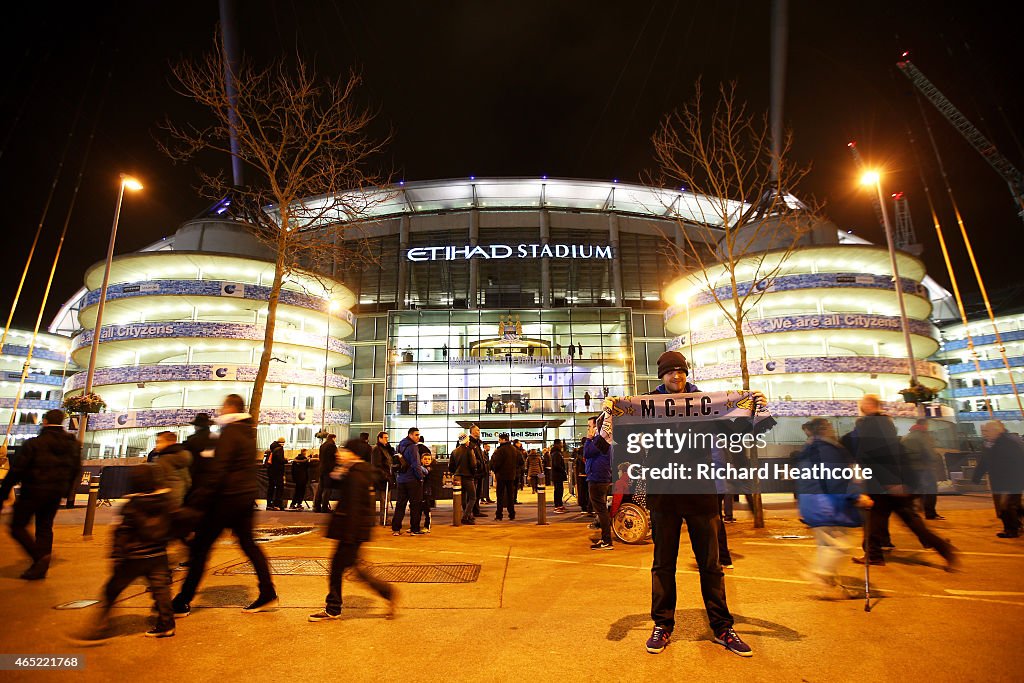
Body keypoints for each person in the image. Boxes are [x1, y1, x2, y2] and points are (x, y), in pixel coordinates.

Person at [643, 351, 764, 657]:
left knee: (711, 565)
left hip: (701, 492)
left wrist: (755, 408)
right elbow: (615, 439)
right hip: (663, 493)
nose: (676, 376)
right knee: (663, 564)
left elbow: (738, 430)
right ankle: (663, 625)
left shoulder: (706, 403)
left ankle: (723, 627)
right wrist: (609, 417)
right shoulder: (646, 404)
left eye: (681, 371)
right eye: (670, 372)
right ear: (662, 376)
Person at [172, 394, 278, 617]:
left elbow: (219, 470)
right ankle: (268, 593)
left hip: (226, 500)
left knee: (201, 548)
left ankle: (182, 600)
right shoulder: (247, 432)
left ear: (231, 408)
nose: (220, 411)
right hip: (243, 498)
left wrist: (197, 501)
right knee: (249, 545)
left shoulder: (230, 433)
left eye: (223, 407)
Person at [852, 394, 959, 570]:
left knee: (875, 518)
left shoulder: (873, 423)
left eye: (864, 403)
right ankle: (943, 548)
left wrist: (889, 481)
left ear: (872, 405)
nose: (861, 406)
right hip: (891, 481)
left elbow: (880, 453)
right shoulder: (884, 423)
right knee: (906, 520)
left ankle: (874, 555)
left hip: (884, 483)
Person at [75, 464, 176, 641]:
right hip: (158, 554)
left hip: (134, 556)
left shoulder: (131, 505)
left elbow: (122, 531)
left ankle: (100, 625)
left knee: (112, 589)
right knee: (161, 590)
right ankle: (167, 624)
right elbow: (176, 523)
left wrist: (117, 554)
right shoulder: (166, 500)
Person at [308, 445, 395, 622]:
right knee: (353, 569)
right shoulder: (356, 471)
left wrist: (349, 536)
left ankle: (333, 608)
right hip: (354, 531)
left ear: (355, 454)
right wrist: (339, 472)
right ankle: (386, 593)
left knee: (338, 568)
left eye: (345, 451)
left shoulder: (356, 475)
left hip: (351, 531)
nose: (340, 454)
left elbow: (355, 507)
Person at [0, 409, 81, 580]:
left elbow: (17, 470)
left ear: (44, 421)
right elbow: (76, 470)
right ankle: (40, 567)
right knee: (45, 527)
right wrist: (68, 492)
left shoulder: (34, 444)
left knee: (17, 526)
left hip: (33, 491)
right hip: (56, 493)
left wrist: (3, 494)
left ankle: (40, 558)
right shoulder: (72, 444)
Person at [797, 418, 873, 599]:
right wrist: (857, 496)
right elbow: (838, 477)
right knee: (839, 545)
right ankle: (819, 573)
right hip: (826, 505)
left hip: (813, 504)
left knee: (827, 546)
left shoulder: (809, 450)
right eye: (829, 426)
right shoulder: (827, 450)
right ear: (823, 429)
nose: (832, 428)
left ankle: (830, 586)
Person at [972, 420, 1024, 538]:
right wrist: (976, 476)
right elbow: (984, 462)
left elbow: (1019, 462)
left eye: (988, 431)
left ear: (997, 431)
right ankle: (1014, 525)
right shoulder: (989, 444)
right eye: (984, 431)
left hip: (1011, 481)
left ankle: (1011, 530)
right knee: (1006, 507)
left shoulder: (1009, 443)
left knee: (1006, 506)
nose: (985, 433)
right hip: (998, 482)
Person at [902, 418, 943, 520]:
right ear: (925, 425)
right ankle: (930, 513)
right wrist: (934, 460)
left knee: (914, 490)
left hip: (910, 469)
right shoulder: (923, 436)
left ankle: (909, 512)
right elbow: (929, 452)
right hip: (924, 467)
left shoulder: (905, 437)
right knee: (931, 490)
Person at [583, 416, 613, 550]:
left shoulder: (599, 440)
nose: (588, 429)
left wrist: (589, 438)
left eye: (590, 426)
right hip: (600, 477)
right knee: (602, 510)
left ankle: (607, 540)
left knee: (601, 511)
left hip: (597, 478)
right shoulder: (603, 440)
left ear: (596, 427)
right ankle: (606, 538)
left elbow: (587, 453)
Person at [391, 427, 426, 536]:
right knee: (415, 505)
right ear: (410, 435)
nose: (418, 437)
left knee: (400, 504)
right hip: (412, 480)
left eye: (418, 435)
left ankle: (396, 529)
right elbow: (416, 465)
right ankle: (414, 528)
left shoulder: (400, 445)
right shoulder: (413, 447)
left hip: (401, 479)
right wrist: (420, 477)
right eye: (416, 435)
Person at [151, 431, 192, 510]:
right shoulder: (181, 456)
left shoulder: (163, 459)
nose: (157, 445)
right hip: (180, 498)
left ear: (170, 443)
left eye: (159, 442)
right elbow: (187, 481)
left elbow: (158, 481)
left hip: (165, 499)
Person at [183, 413, 216, 498]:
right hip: (212, 477)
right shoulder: (215, 438)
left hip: (195, 476)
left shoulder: (191, 440)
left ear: (197, 426)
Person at [449, 433, 477, 524]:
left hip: (458, 477)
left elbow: (451, 467)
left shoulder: (454, 451)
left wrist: (455, 473)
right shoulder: (469, 450)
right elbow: (473, 465)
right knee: (473, 497)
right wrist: (473, 474)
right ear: (466, 441)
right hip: (468, 477)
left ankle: (467, 515)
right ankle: (466, 516)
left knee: (463, 498)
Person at [490, 433, 518, 521]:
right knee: (510, 495)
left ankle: (499, 514)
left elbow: (495, 463)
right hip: (511, 476)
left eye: (499, 439)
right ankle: (512, 514)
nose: (499, 441)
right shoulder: (514, 449)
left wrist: (495, 470)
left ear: (503, 440)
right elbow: (521, 461)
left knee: (500, 495)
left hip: (501, 476)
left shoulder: (499, 450)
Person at [371, 432, 395, 517]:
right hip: (382, 477)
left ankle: (384, 517)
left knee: (386, 499)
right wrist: (384, 475)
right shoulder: (377, 449)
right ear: (379, 438)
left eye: (387, 438)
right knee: (384, 499)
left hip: (386, 475)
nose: (387, 439)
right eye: (385, 438)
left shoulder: (385, 448)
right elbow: (376, 464)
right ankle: (383, 518)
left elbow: (391, 459)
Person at [313, 434, 339, 513]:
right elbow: (334, 458)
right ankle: (324, 507)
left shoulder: (322, 445)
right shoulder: (332, 446)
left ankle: (317, 506)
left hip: (322, 469)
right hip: (329, 470)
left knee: (320, 488)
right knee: (327, 489)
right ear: (333, 438)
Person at [264, 437, 287, 511]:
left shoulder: (271, 448)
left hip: (271, 471)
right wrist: (285, 460)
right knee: (279, 488)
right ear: (283, 442)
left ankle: (269, 504)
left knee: (271, 488)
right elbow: (280, 460)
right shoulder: (280, 449)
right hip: (277, 472)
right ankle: (277, 504)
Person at [418, 445, 435, 533]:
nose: (427, 461)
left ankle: (427, 526)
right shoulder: (422, 468)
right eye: (425, 459)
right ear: (421, 460)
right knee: (418, 510)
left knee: (426, 510)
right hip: (420, 492)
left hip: (427, 493)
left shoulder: (429, 469)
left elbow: (426, 472)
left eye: (428, 459)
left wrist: (415, 465)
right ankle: (415, 526)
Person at [573, 443, 591, 514]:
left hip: (581, 475)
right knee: (588, 491)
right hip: (587, 475)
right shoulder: (588, 455)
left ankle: (584, 507)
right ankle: (588, 507)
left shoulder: (578, 458)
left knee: (582, 491)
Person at [550, 438, 567, 513]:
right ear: (557, 444)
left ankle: (558, 504)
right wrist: (563, 470)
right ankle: (558, 505)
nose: (562, 445)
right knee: (558, 490)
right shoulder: (557, 453)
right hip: (558, 475)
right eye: (560, 443)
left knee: (558, 490)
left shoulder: (555, 453)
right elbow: (557, 465)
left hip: (556, 475)